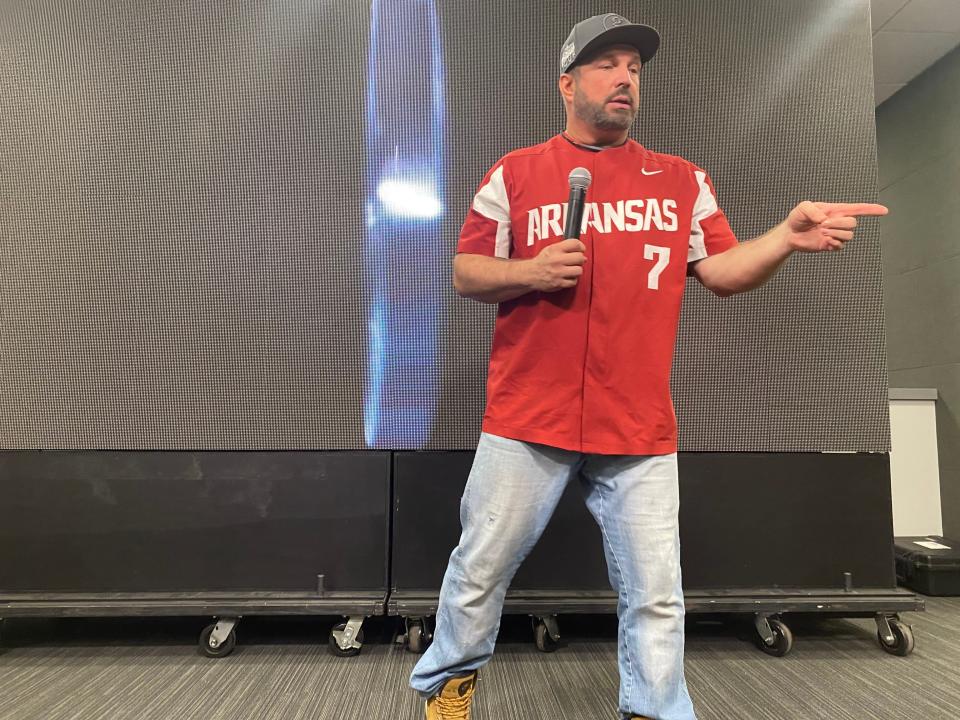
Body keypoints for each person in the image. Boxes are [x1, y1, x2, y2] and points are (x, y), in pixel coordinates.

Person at [410, 12, 887, 720]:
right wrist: (532, 269)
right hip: (526, 419)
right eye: (607, 64)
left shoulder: (681, 180)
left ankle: (654, 709)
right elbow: (466, 271)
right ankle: (449, 684)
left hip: (636, 427)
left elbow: (721, 269)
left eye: (634, 66)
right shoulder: (514, 172)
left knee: (657, 591)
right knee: (478, 571)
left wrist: (784, 239)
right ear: (568, 83)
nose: (625, 77)